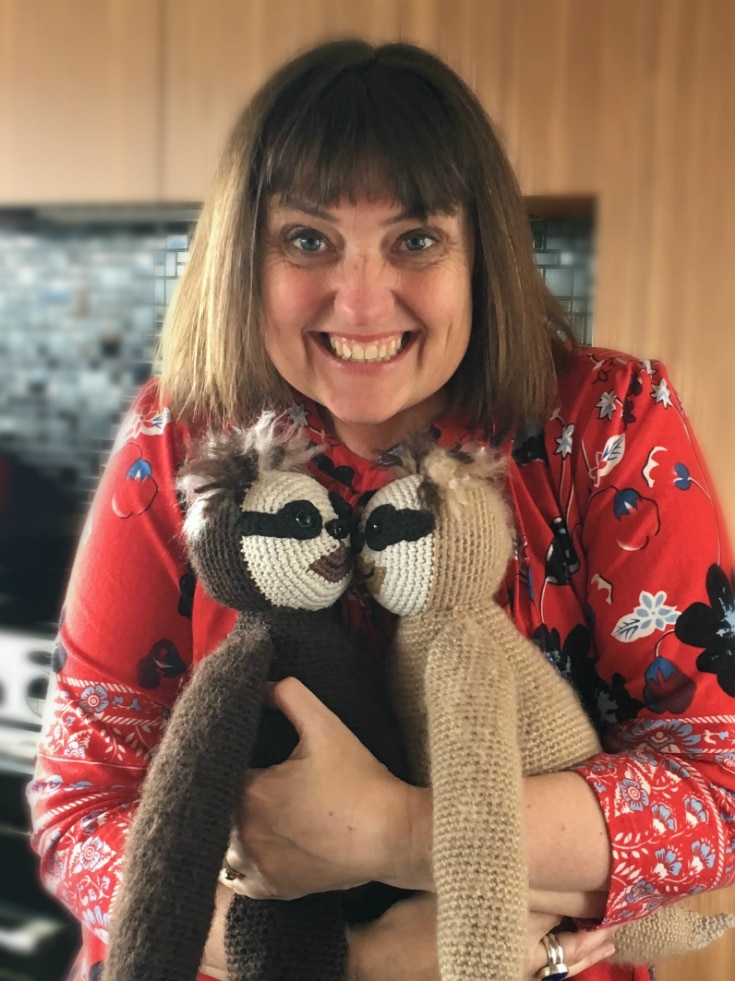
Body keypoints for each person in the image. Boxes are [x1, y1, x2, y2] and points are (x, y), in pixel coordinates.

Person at [28, 38, 735, 981]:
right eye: (308, 239)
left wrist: (389, 833)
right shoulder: (174, 436)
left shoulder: (608, 425)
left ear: (480, 251)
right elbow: (83, 801)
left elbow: (718, 798)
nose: (360, 304)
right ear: (248, 255)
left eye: (415, 239)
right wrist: (344, 960)